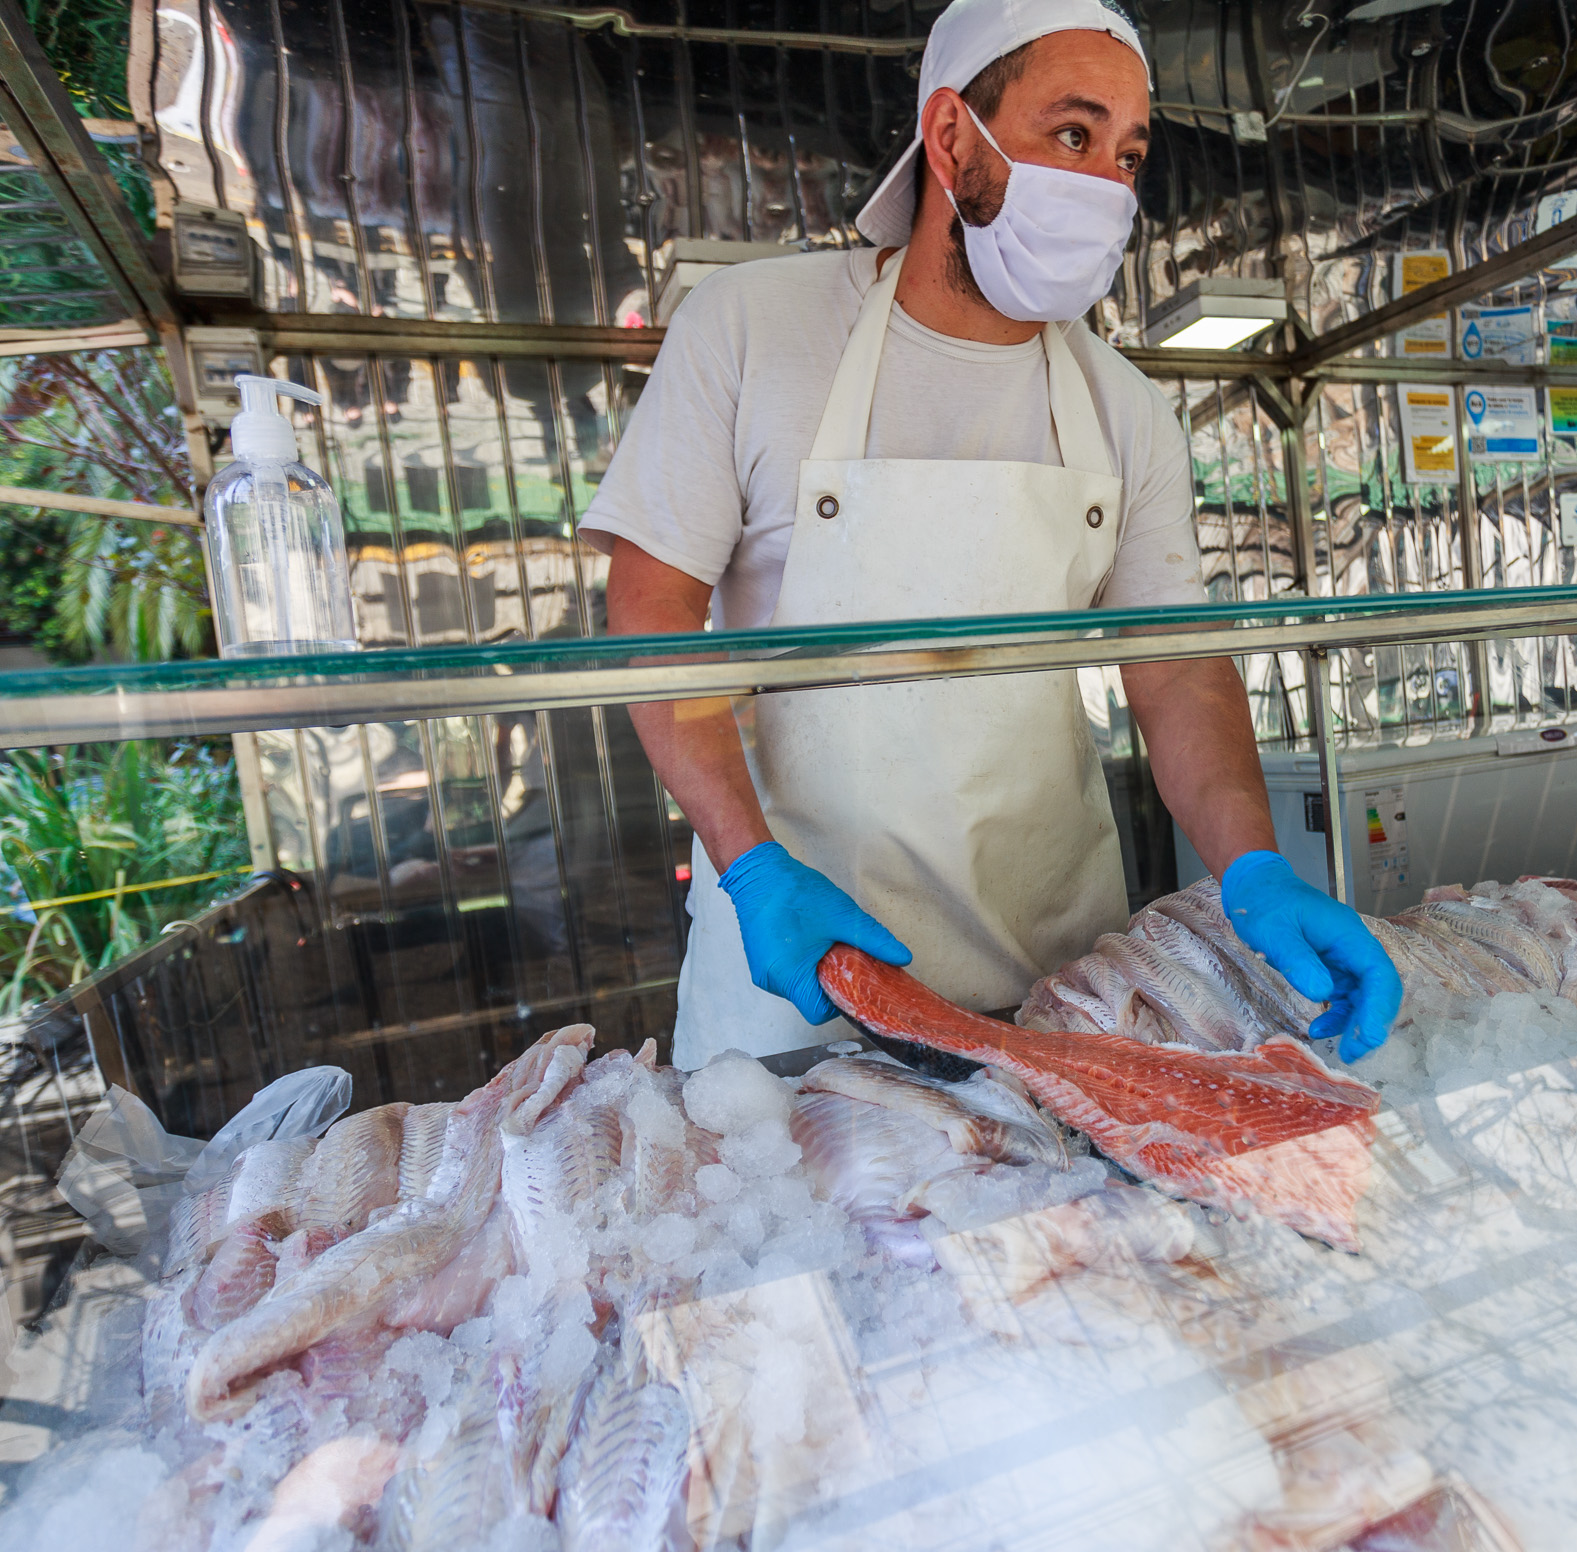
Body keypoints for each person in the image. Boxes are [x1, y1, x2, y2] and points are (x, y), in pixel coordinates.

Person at [583, 0, 1401, 1070]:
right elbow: (655, 618)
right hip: (802, 988)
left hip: (1060, 987)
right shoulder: (752, 330)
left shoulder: (1122, 408)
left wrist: (1253, 864)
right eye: (1073, 134)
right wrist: (749, 866)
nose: (1107, 182)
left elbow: (1179, 672)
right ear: (951, 134)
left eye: (1127, 153)